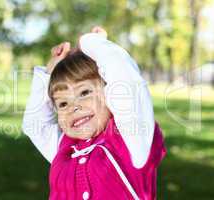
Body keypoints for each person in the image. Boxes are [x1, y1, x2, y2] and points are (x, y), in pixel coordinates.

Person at [22, 26, 166, 200]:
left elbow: (124, 77)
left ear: (109, 93)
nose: (73, 107)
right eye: (63, 103)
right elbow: (34, 124)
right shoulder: (64, 149)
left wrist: (91, 43)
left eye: (84, 93)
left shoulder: (131, 139)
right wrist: (48, 73)